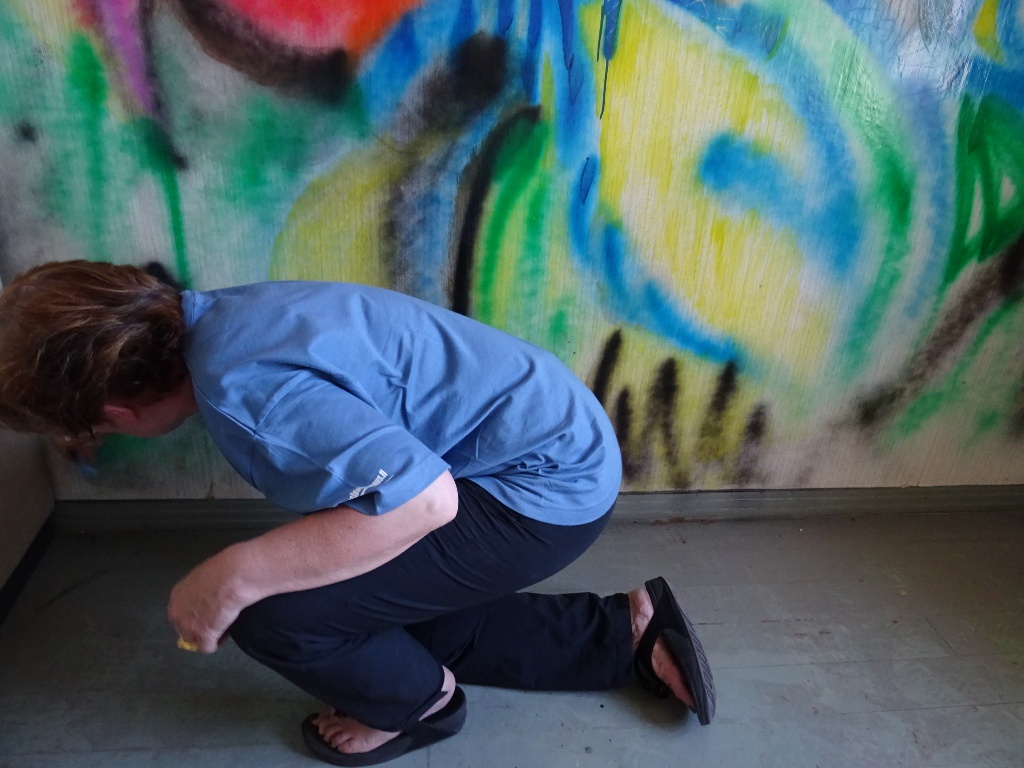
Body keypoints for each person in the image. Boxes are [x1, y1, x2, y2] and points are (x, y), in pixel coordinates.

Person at [0, 260, 714, 766]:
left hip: (540, 493)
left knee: (275, 612)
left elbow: (427, 500)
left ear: (115, 410)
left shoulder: (248, 398)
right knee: (371, 606)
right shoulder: (215, 316)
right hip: (553, 441)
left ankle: (420, 708)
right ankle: (624, 634)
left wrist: (232, 576)